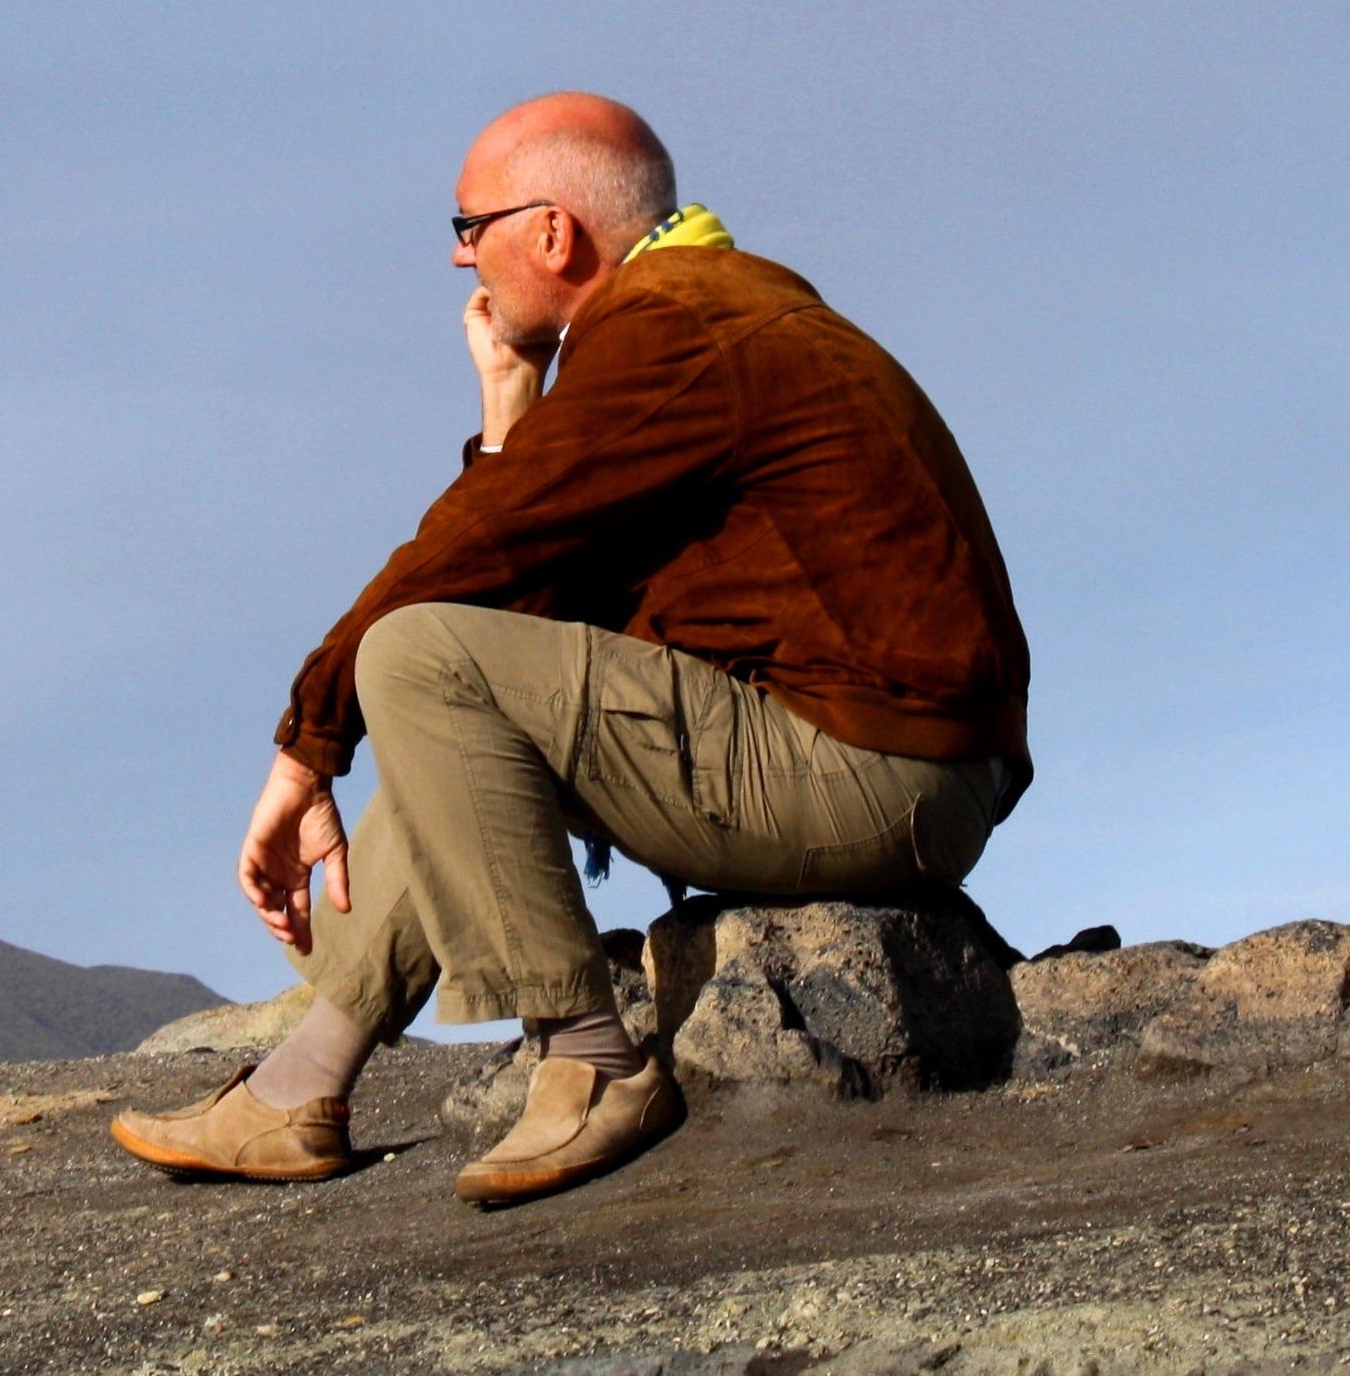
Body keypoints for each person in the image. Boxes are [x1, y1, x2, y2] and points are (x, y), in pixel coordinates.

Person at [111, 92, 1030, 1206]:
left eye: (466, 226)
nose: (459, 261)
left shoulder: (676, 328)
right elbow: (527, 593)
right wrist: (508, 413)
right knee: (450, 677)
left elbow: (472, 572)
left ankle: (589, 1061)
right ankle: (297, 1091)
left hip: (869, 774)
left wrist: (306, 749)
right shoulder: (698, 317)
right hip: (898, 770)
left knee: (418, 658)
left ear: (551, 233)